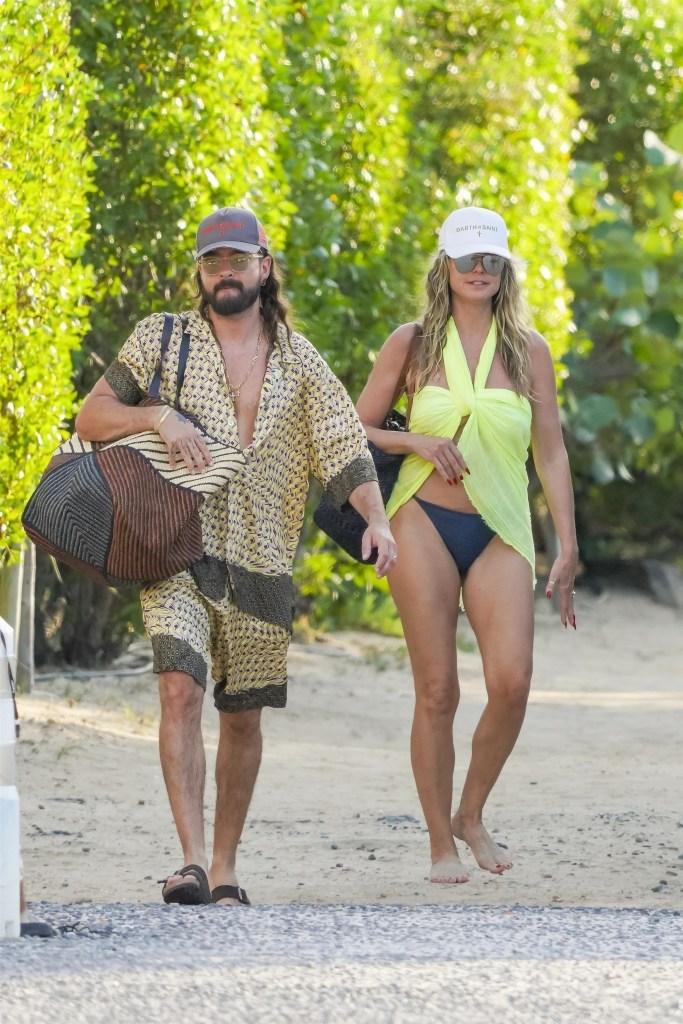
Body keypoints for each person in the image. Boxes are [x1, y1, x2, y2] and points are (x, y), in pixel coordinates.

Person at [75, 206, 396, 906]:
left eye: (237, 259)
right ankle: (189, 860)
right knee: (178, 686)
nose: (225, 270)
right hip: (177, 547)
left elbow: (344, 447)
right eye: (212, 260)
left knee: (242, 715)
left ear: (264, 266)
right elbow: (90, 418)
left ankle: (224, 867)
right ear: (200, 272)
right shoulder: (162, 341)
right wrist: (156, 415)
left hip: (262, 563)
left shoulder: (301, 362)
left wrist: (376, 521)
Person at [356, 206, 578, 884]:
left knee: (511, 682)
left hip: (502, 527)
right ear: (444, 266)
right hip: (421, 515)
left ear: (504, 267)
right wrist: (416, 440)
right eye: (466, 259)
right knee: (437, 690)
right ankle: (438, 844)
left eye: (490, 260)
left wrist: (567, 543)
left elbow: (550, 450)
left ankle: (469, 812)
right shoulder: (413, 342)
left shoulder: (528, 350)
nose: (478, 270)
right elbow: (356, 429)